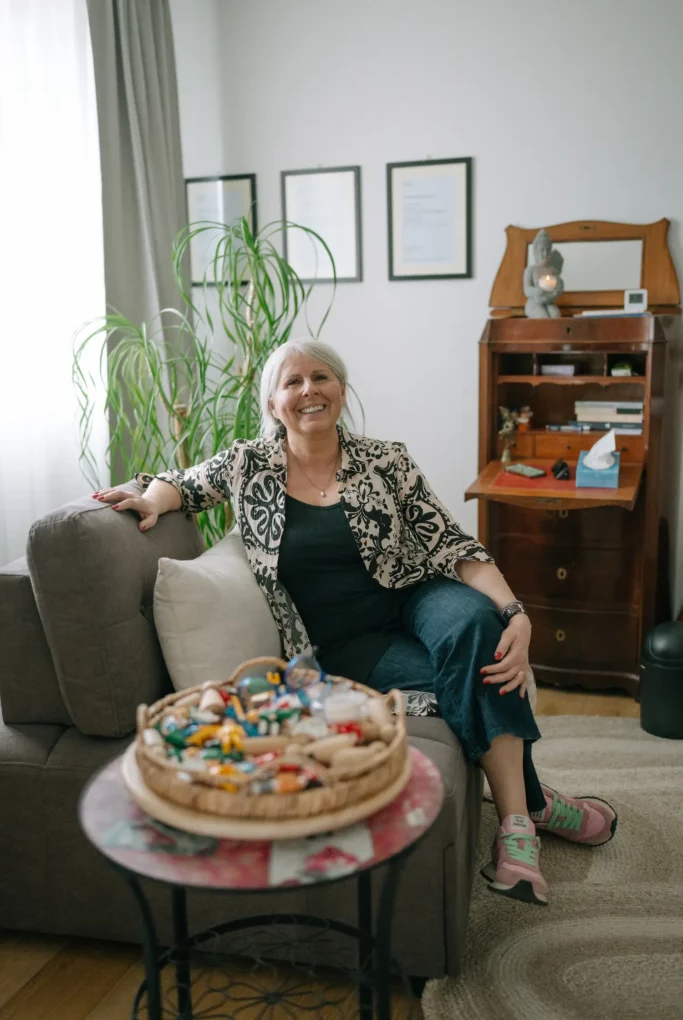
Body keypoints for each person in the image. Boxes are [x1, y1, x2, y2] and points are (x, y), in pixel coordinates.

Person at [93, 339, 617, 906]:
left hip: (418, 596)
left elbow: (450, 542)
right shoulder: (249, 464)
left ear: (341, 391)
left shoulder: (386, 460)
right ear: (273, 404)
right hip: (349, 643)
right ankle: (534, 807)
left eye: (321, 377)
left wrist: (516, 612)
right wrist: (152, 500)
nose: (309, 391)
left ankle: (515, 829)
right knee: (477, 677)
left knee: (479, 628)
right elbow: (182, 484)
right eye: (292, 382)